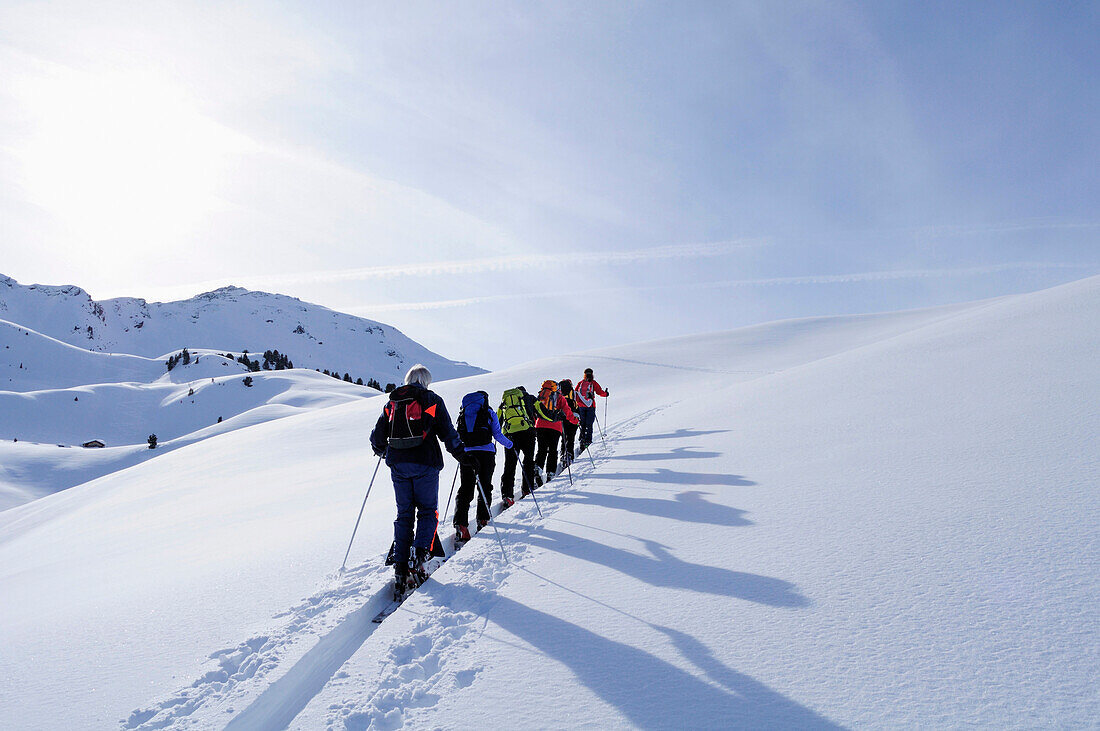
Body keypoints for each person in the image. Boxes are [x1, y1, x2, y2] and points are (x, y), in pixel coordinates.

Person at [370, 364, 466, 594]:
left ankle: (400, 565)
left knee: (404, 514)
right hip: (425, 463)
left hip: (398, 465)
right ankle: (420, 552)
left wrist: (386, 453)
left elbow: (376, 438)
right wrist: (462, 455)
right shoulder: (431, 399)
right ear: (426, 381)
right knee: (427, 510)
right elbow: (447, 432)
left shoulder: (392, 402)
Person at [453, 390, 513, 543]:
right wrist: (510, 444)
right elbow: (498, 435)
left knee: (466, 488)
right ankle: (483, 519)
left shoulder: (463, 413)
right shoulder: (489, 413)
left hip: (467, 455)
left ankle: (461, 525)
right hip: (486, 454)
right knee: (485, 486)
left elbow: (457, 436)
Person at [533, 379, 578, 480]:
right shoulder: (559, 397)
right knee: (553, 450)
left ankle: (538, 468)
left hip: (540, 426)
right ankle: (551, 472)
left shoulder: (540, 396)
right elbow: (567, 412)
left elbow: (535, 411)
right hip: (555, 427)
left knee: (542, 449)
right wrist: (575, 421)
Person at [498, 386, 538, 500]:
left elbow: (498, 420)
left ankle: (507, 495)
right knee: (528, 461)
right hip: (528, 433)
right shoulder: (529, 398)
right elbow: (542, 412)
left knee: (510, 465)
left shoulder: (505, 402)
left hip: (510, 435)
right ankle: (527, 489)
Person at [575, 367, 608, 453]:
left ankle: (582, 440)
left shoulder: (580, 383)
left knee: (582, 423)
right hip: (590, 406)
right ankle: (588, 441)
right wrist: (606, 394)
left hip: (581, 406)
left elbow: (575, 393)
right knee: (589, 424)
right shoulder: (593, 383)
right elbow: (600, 392)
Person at [558, 378, 579, 467]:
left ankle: (563, 454)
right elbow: (579, 405)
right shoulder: (574, 393)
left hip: (562, 418)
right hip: (573, 417)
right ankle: (569, 454)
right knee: (571, 437)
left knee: (564, 437)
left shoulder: (559, 395)